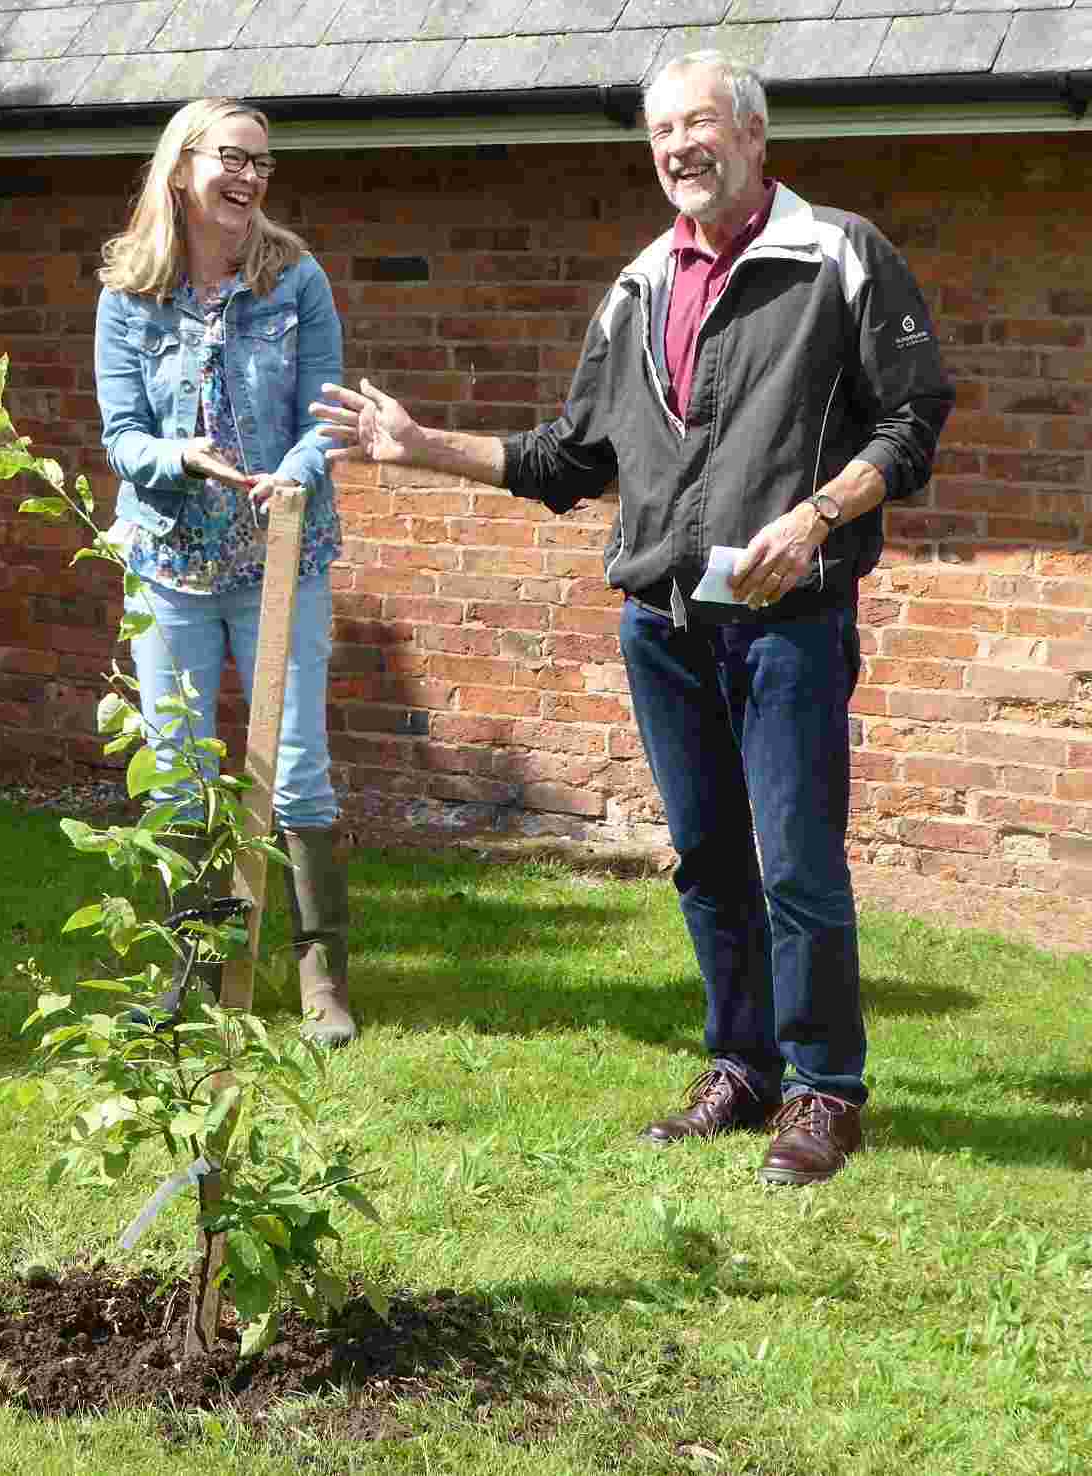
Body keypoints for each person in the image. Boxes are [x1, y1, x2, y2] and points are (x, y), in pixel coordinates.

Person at [313, 52, 953, 1178]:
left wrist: (811, 520)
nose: (676, 149)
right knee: (706, 859)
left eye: (698, 125)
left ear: (754, 133)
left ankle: (824, 1091)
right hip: (661, 624)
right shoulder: (639, 285)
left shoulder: (840, 255)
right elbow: (570, 459)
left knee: (796, 860)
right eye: (660, 133)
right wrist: (420, 450)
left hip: (788, 618)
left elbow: (910, 424)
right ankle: (743, 1067)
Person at [94, 97, 355, 1047]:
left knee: (295, 772)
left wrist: (289, 475)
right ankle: (192, 974)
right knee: (179, 777)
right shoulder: (130, 290)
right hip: (169, 561)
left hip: (281, 555)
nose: (250, 178)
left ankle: (320, 981)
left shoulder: (295, 278)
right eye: (233, 160)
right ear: (182, 168)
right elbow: (122, 435)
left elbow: (325, 414)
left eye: (263, 164)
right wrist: (179, 457)